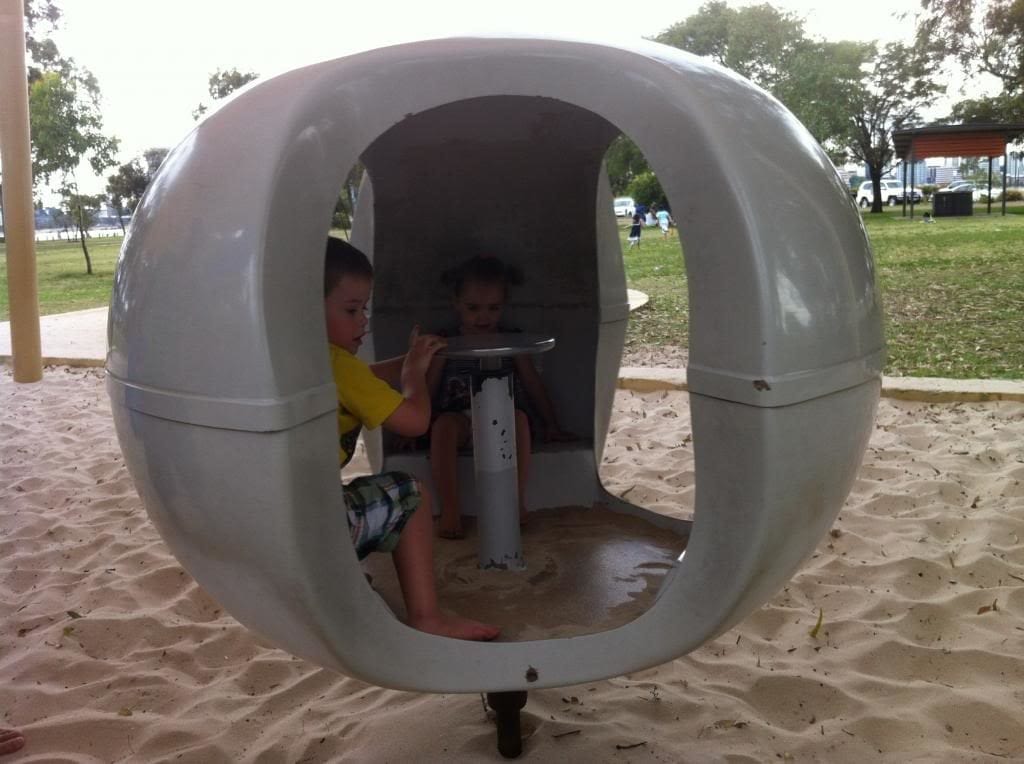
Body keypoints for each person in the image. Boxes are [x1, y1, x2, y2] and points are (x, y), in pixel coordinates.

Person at [324, 237, 499, 641]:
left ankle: (342, 577)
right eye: (351, 310)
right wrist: (414, 377)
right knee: (410, 493)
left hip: (284, 519)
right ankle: (427, 617)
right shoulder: (338, 366)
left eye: (364, 309)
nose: (363, 321)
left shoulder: (309, 359)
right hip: (322, 527)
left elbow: (362, 380)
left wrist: (411, 360)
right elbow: (416, 421)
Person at [428, 255, 571, 540]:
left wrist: (551, 423)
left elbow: (533, 384)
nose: (484, 317)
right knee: (442, 427)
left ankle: (514, 503)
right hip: (459, 419)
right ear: (456, 304)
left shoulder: (512, 338)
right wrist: (415, 427)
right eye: (473, 308)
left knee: (519, 420)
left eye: (494, 308)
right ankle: (451, 509)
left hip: (501, 418)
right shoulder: (443, 341)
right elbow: (428, 386)